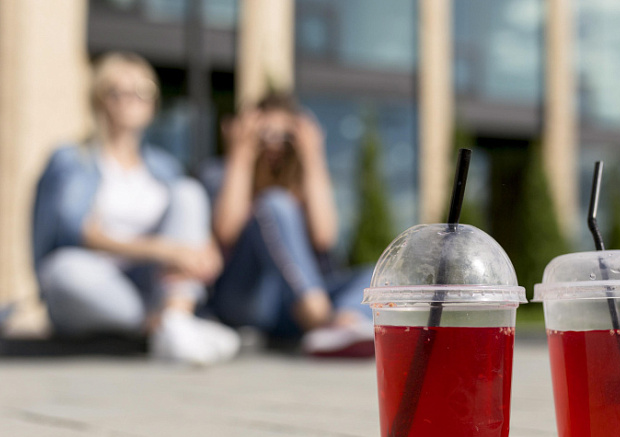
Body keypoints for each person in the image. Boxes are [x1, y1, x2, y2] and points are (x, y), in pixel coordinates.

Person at [32, 51, 239, 364]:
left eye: (142, 93)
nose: (131, 101)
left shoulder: (163, 167)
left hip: (153, 283)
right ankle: (170, 325)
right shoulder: (73, 160)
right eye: (119, 92)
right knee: (63, 271)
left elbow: (187, 225)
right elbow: (77, 231)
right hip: (98, 282)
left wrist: (207, 251)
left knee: (189, 192)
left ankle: (174, 319)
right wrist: (161, 250)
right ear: (99, 99)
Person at [210, 93, 374, 356]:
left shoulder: (303, 183)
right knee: (274, 204)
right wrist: (241, 154)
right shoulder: (222, 173)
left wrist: (312, 155)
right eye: (264, 134)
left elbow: (324, 237)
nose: (274, 145)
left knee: (378, 275)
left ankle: (344, 324)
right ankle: (321, 322)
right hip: (247, 299)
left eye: (284, 137)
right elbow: (225, 232)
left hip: (290, 310)